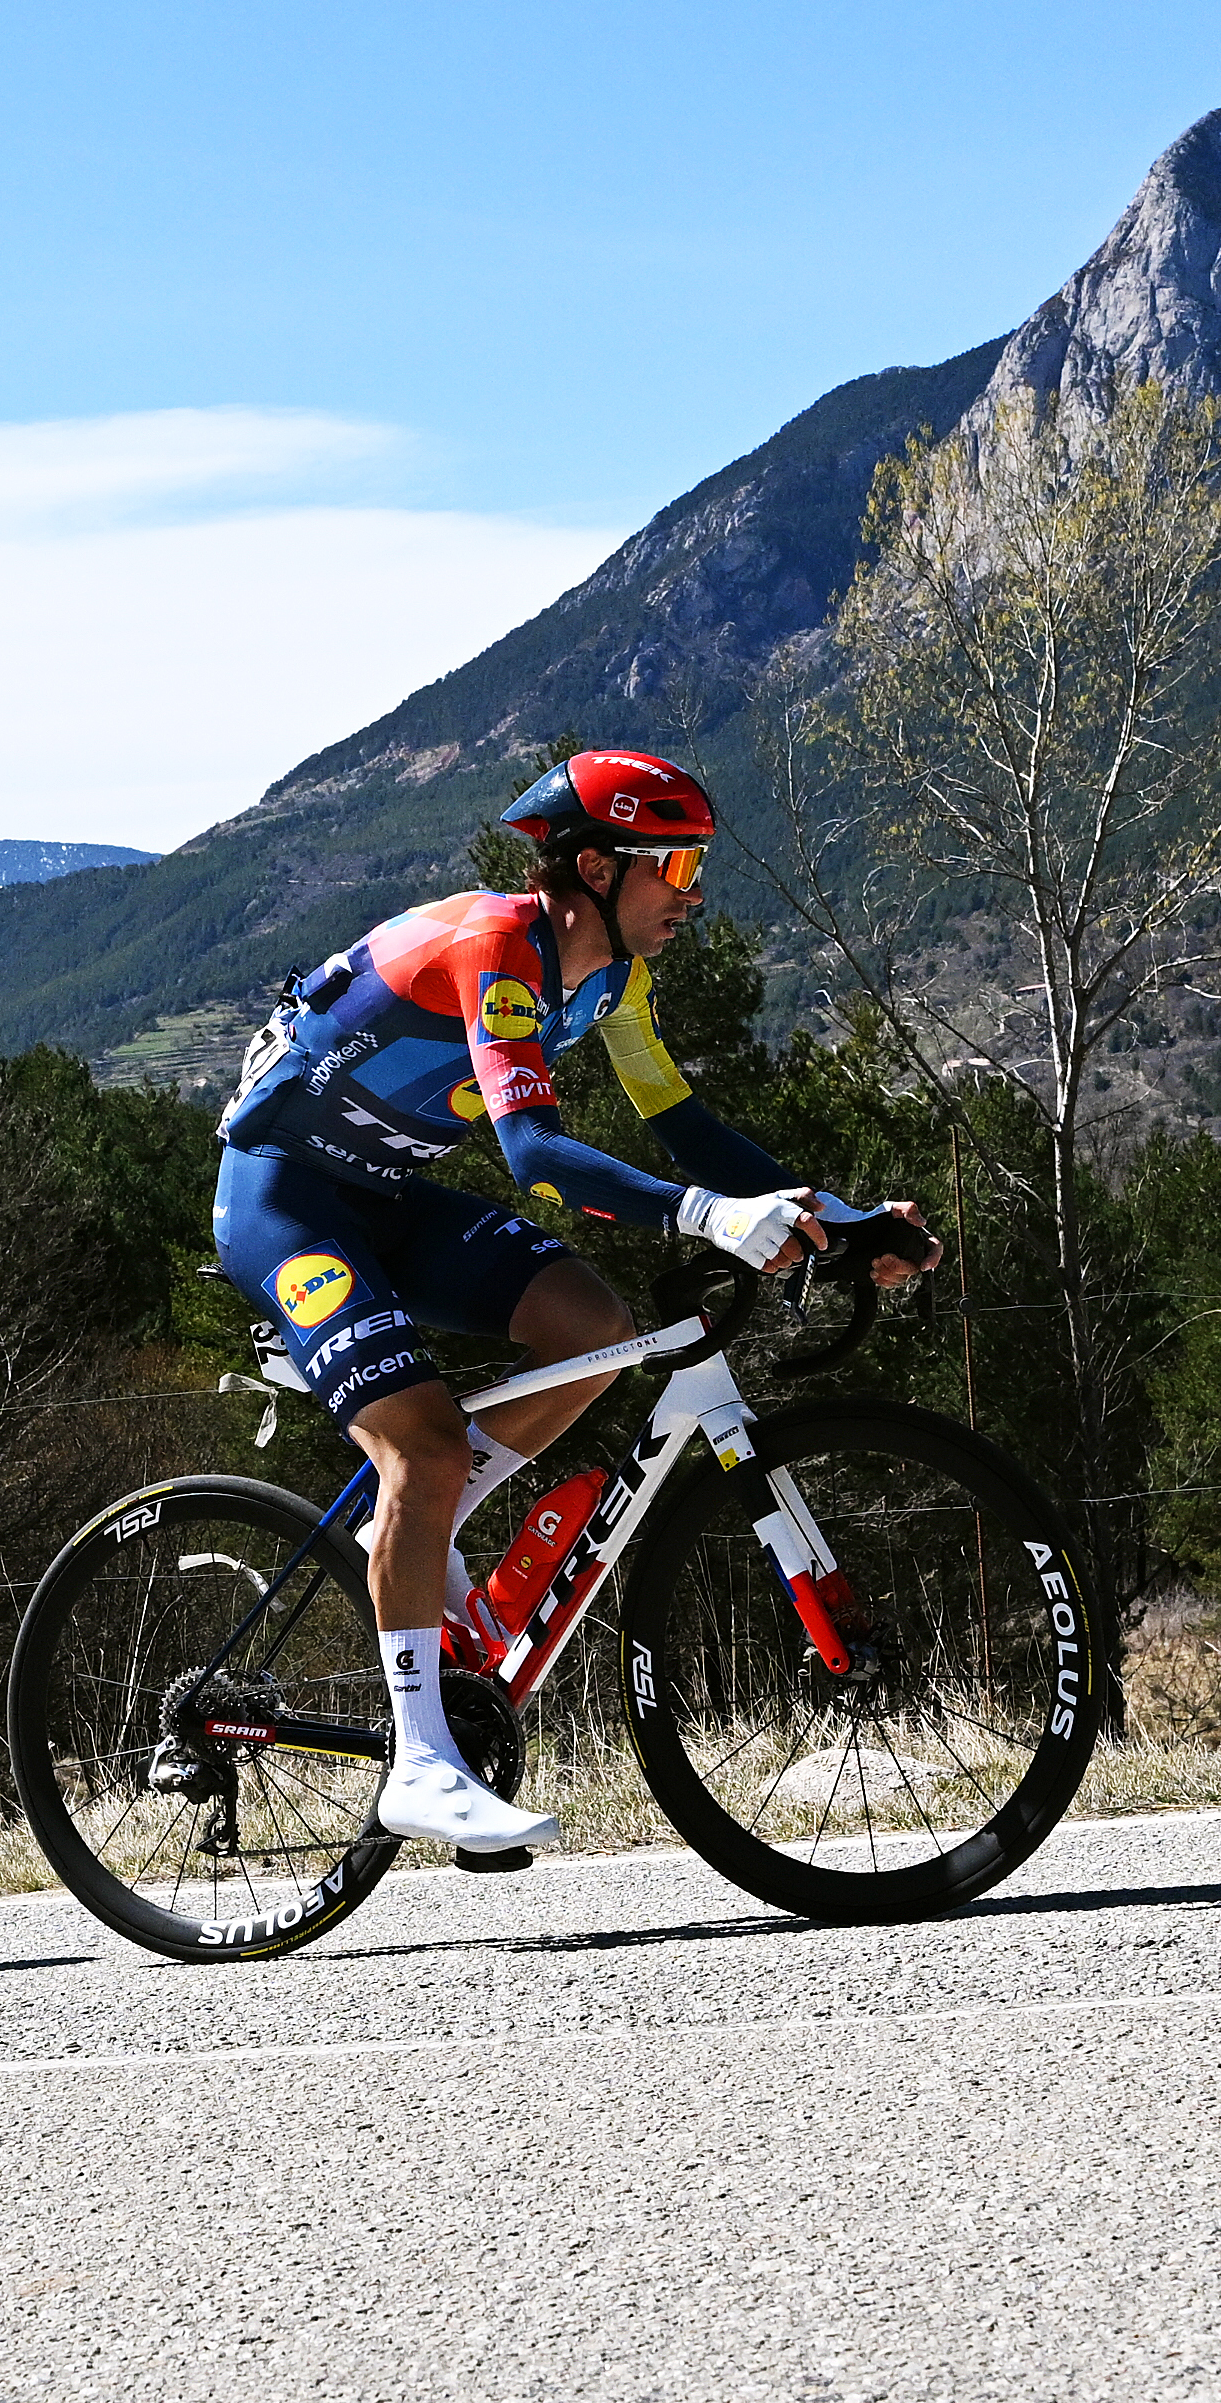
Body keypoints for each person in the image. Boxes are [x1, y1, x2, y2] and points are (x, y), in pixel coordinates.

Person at [213, 749, 934, 1860]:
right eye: (674, 866)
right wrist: (708, 1217)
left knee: (593, 1330)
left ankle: (413, 1523)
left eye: (697, 866)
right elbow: (535, 1152)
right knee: (423, 1446)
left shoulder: (613, 981)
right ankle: (419, 1762)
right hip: (284, 1200)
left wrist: (839, 1219)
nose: (693, 893)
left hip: (386, 1196)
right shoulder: (495, 944)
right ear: (595, 868)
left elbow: (686, 1130)